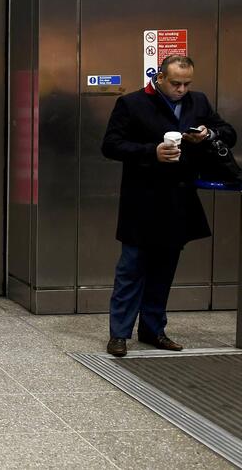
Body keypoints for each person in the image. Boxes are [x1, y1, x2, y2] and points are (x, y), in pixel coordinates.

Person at [101, 55, 235, 357]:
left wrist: (207, 134)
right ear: (159, 77)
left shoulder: (197, 102)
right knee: (132, 268)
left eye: (187, 83)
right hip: (142, 201)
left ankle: (153, 329)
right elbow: (110, 145)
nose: (182, 89)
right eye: (176, 83)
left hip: (178, 201)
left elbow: (228, 132)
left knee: (164, 270)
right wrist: (152, 152)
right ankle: (119, 334)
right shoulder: (131, 104)